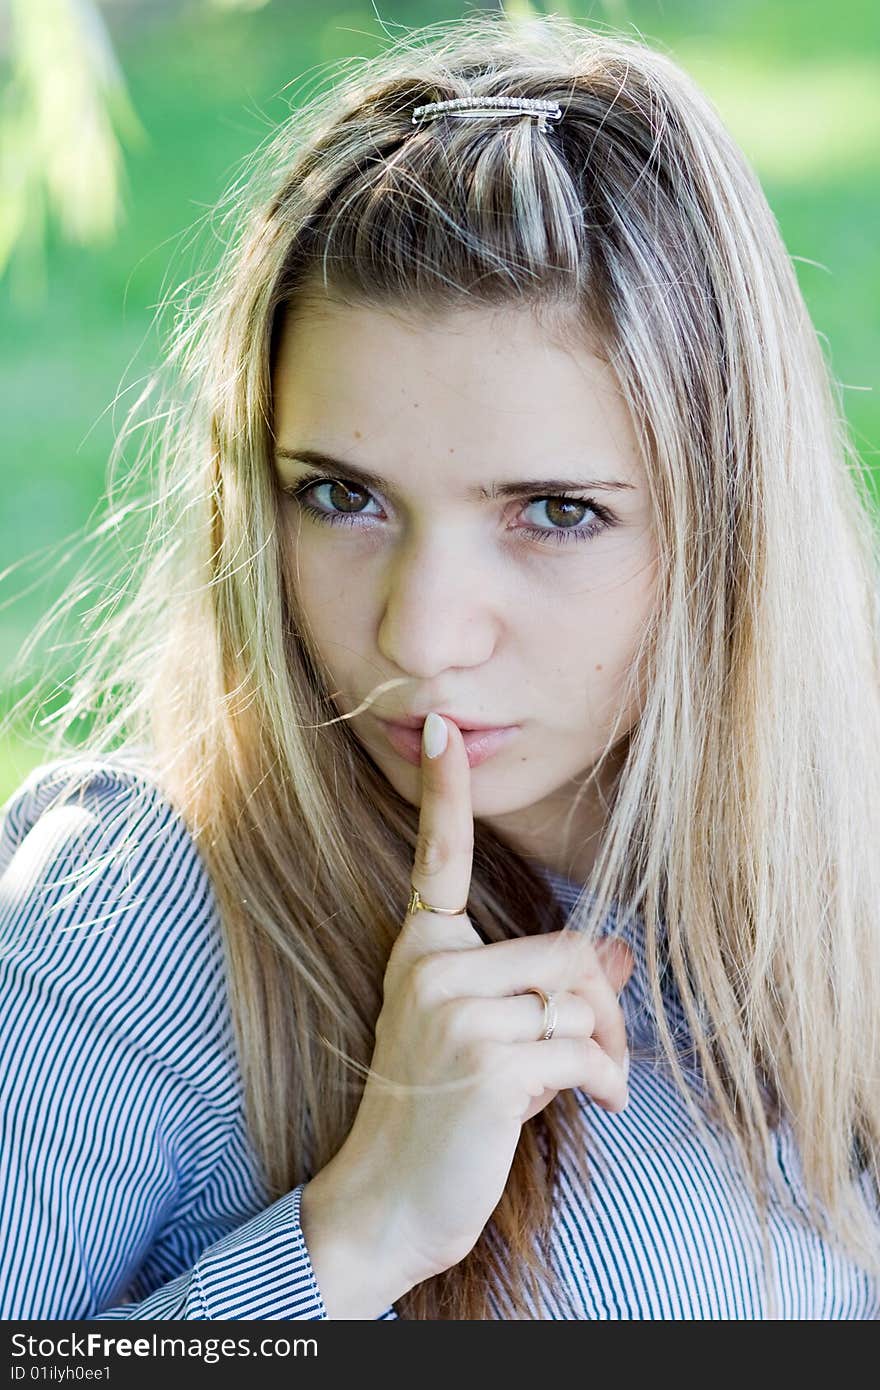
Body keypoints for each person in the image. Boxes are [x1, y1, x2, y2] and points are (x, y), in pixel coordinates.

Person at [1, 11, 879, 1321]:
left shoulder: (832, 886)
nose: (419, 635)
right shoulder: (143, 920)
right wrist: (354, 1235)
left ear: (731, 524)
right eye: (342, 496)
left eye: (554, 512)